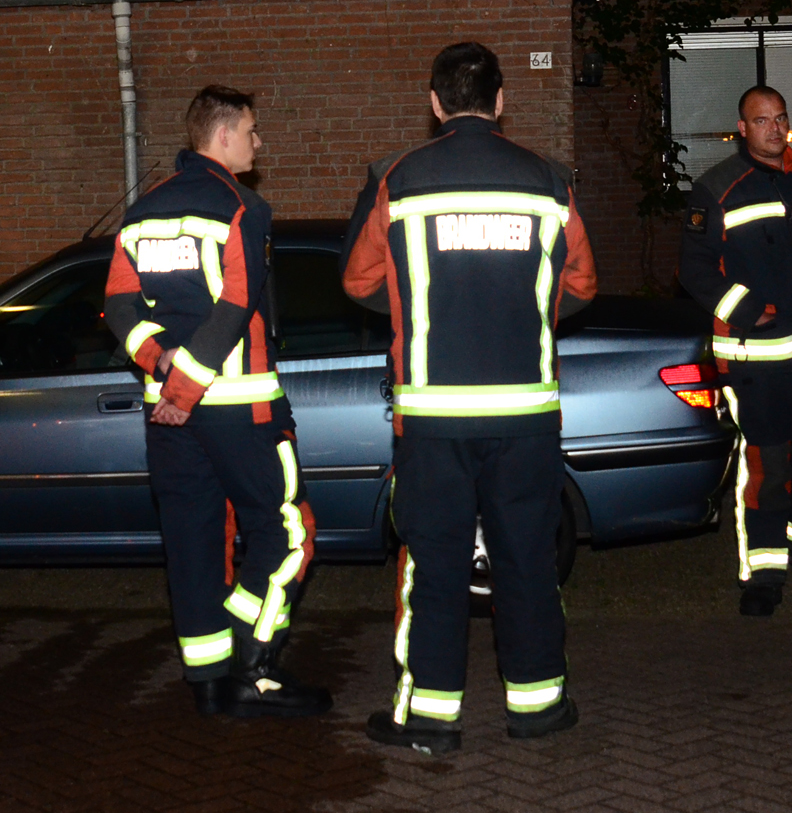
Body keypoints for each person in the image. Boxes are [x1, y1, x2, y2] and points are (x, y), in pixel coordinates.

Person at [341, 43, 596, 754]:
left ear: (434, 104)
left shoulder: (400, 178)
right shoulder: (548, 181)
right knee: (526, 559)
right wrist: (524, 310)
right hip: (525, 416)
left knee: (437, 563)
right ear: (502, 99)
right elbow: (581, 286)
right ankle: (539, 707)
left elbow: (358, 284)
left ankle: (429, 717)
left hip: (433, 419)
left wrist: (423, 299)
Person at [104, 85, 332, 716]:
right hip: (241, 408)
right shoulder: (241, 208)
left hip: (169, 418)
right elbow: (236, 307)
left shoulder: (141, 212)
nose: (259, 144)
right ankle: (253, 667)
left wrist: (160, 365)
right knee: (288, 536)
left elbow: (118, 306)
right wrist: (185, 384)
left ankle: (209, 684)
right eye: (253, 132)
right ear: (224, 135)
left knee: (193, 541)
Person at [678, 85, 792, 617]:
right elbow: (694, 270)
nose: (775, 129)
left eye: (781, 119)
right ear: (743, 128)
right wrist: (751, 309)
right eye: (762, 121)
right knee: (767, 463)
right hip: (756, 354)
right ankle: (764, 570)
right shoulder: (716, 189)